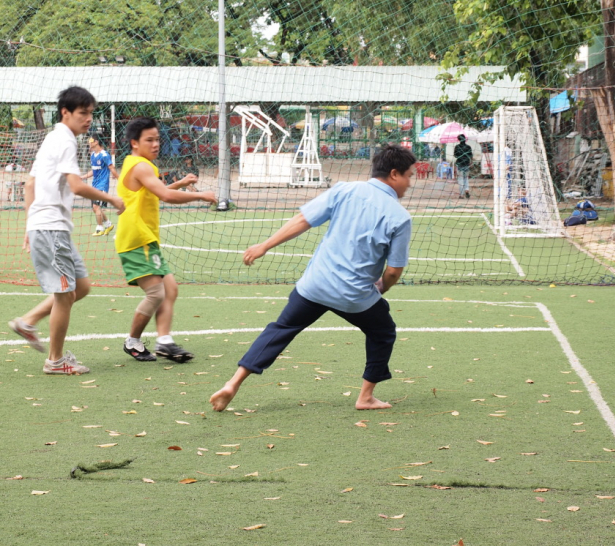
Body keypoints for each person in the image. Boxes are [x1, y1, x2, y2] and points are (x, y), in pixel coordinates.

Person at [209, 144, 416, 413]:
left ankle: (233, 383)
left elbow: (303, 220)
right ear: (394, 174)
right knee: (383, 331)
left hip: (315, 286)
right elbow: (393, 271)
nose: (410, 183)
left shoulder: (344, 189)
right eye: (410, 175)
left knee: (280, 329)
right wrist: (380, 289)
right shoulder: (400, 217)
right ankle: (365, 397)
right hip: (355, 296)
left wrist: (264, 246)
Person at [8, 86, 125, 374]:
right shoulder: (65, 140)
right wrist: (110, 197)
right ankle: (55, 361)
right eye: (83, 113)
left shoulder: (53, 138)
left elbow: (31, 184)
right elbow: (75, 185)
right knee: (65, 295)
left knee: (80, 287)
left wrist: (29, 225)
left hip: (50, 227)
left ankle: (27, 321)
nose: (88, 119)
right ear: (66, 113)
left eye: (90, 113)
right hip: (50, 228)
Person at [116, 117, 216, 362]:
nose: (156, 144)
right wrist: (201, 195)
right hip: (137, 239)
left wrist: (180, 183)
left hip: (145, 239)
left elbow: (157, 193)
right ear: (134, 143)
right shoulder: (141, 166)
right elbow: (165, 196)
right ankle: (133, 341)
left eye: (157, 139)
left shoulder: (136, 164)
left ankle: (164, 341)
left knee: (169, 289)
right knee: (156, 294)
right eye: (149, 140)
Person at [81, 135, 119, 236]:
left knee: (96, 207)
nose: (89, 142)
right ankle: (108, 224)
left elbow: (111, 167)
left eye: (91, 140)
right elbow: (93, 171)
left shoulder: (104, 155)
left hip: (102, 186)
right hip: (95, 185)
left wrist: (118, 178)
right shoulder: (93, 155)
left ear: (96, 142)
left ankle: (99, 228)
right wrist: (82, 177)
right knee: (95, 208)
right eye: (89, 140)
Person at [454, 134, 473, 199]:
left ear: (459, 140)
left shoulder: (457, 147)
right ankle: (467, 190)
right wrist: (470, 162)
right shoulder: (468, 147)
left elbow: (455, 155)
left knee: (460, 179)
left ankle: (461, 194)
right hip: (466, 164)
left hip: (459, 164)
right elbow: (471, 156)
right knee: (466, 178)